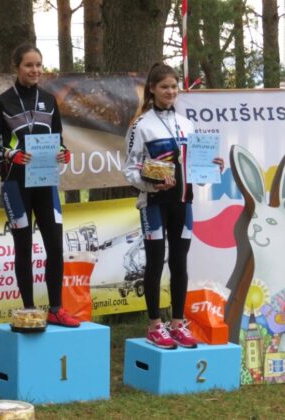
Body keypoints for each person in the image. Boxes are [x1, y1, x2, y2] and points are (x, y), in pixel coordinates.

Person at [123, 63, 224, 349]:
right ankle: (155, 325)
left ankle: (178, 323)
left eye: (174, 86)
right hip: (154, 204)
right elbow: (129, 169)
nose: (170, 91)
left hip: (183, 203)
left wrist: (211, 167)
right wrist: (151, 185)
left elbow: (192, 167)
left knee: (180, 263)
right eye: (164, 87)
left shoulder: (186, 123)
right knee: (155, 263)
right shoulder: (141, 125)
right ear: (152, 89)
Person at [0, 44, 80, 328]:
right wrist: (10, 155)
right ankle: (28, 309)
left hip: (45, 183)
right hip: (15, 184)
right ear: (16, 67)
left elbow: (57, 138)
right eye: (29, 65)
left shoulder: (48, 100)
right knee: (23, 247)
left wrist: (63, 152)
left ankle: (56, 309)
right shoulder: (2, 102)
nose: (35, 70)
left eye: (38, 64)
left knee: (55, 246)